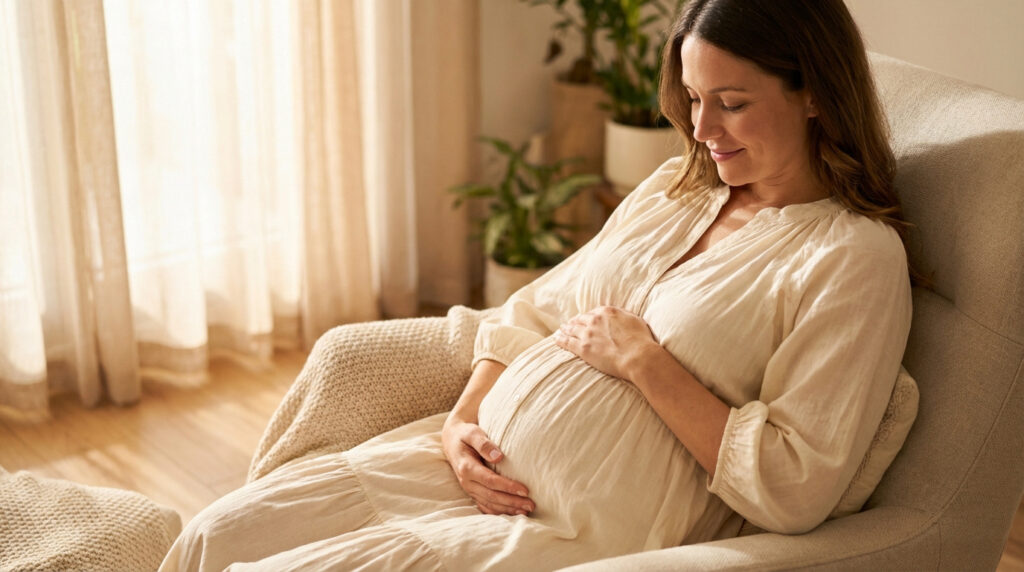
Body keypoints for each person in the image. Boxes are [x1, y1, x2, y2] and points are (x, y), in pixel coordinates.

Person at [161, 0, 912, 569]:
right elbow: (537, 308)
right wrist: (460, 426)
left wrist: (644, 360)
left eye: (733, 102)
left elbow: (794, 484)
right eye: (692, 96)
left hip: (569, 531)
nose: (701, 126)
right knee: (212, 535)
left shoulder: (852, 257)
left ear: (814, 93)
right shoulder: (675, 190)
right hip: (463, 477)